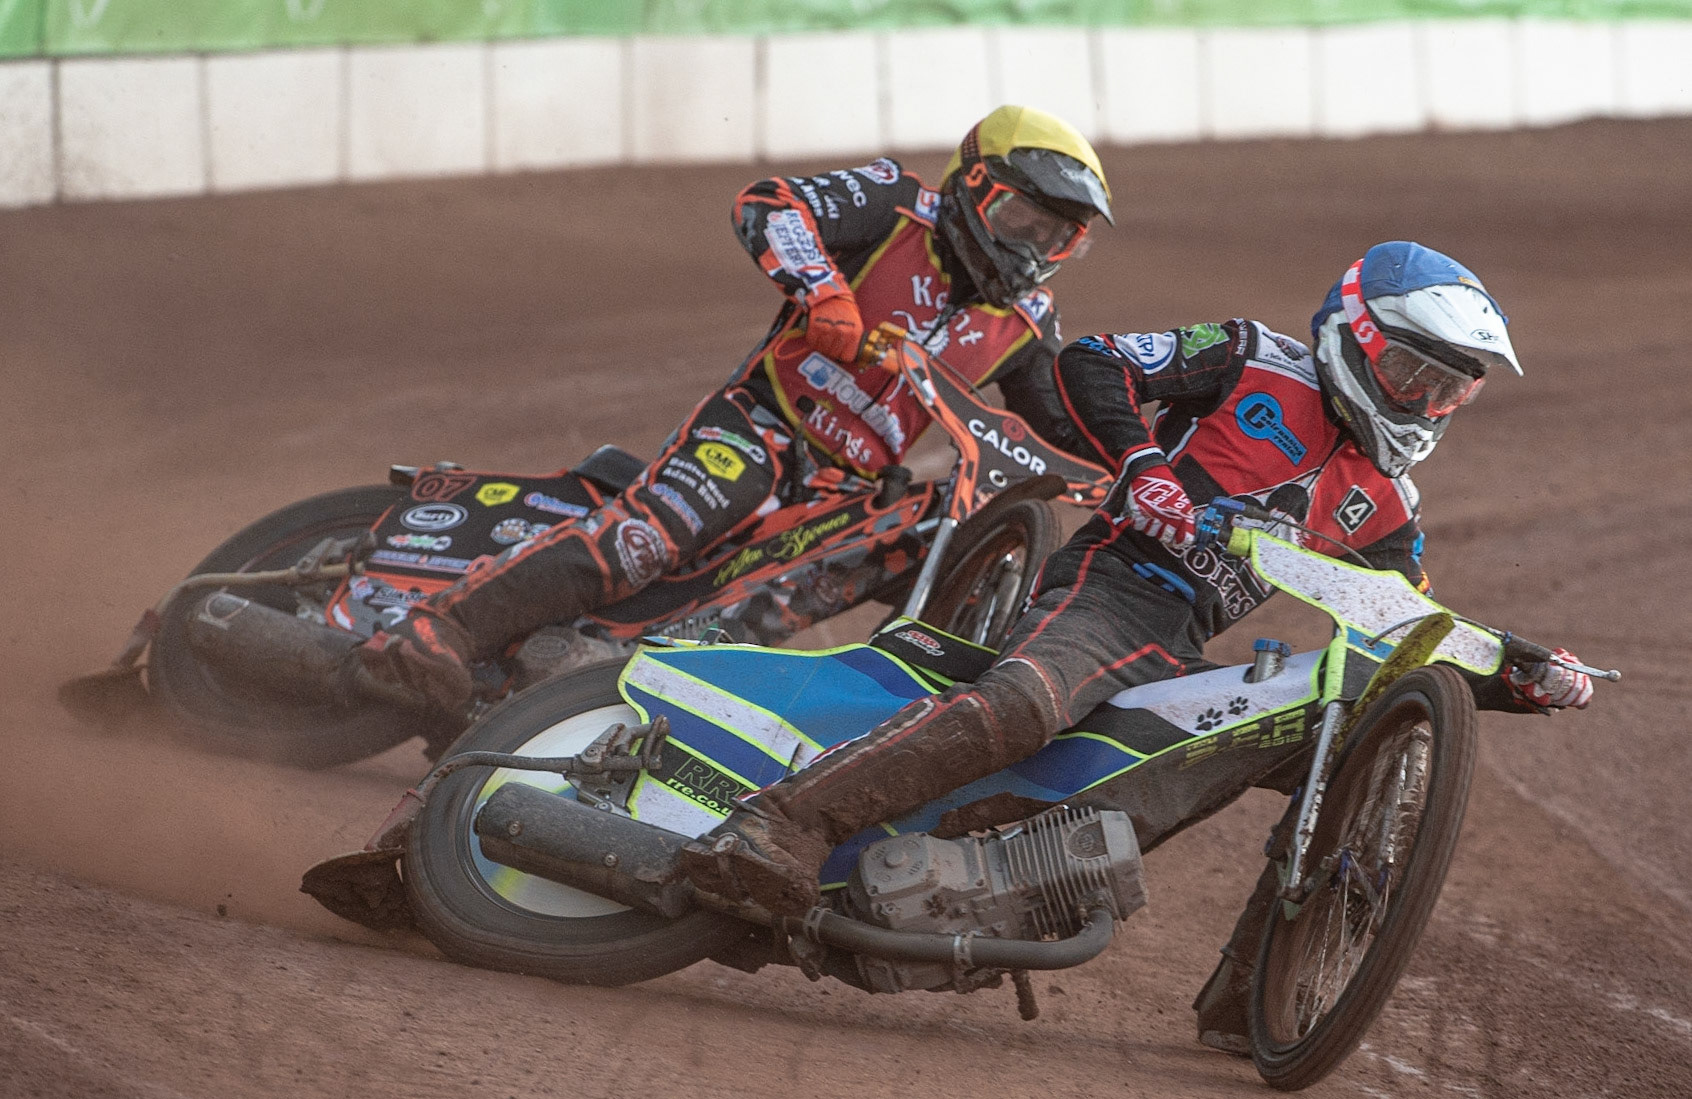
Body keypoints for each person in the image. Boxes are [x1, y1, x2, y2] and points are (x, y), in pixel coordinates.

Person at [677, 240, 1596, 1051]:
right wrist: (1144, 466)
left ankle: (1249, 997)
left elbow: (1406, 630)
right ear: (1352, 334)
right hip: (1114, 588)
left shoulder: (1389, 507)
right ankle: (780, 827)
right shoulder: (1254, 360)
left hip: (1181, 643)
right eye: (1410, 373)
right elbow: (1094, 361)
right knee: (1027, 705)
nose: (1425, 402)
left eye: (1449, 388)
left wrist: (1524, 674)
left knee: (1355, 734)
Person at [356, 105, 1114, 713]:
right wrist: (824, 290)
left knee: (825, 586)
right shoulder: (894, 205)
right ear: (974, 185)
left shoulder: (1028, 324)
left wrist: (1136, 474)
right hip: (761, 428)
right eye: (1023, 220)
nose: (1033, 248)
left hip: (845, 487)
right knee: (650, 541)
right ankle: (443, 627)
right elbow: (770, 203)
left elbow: (1057, 424)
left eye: (1057, 236)